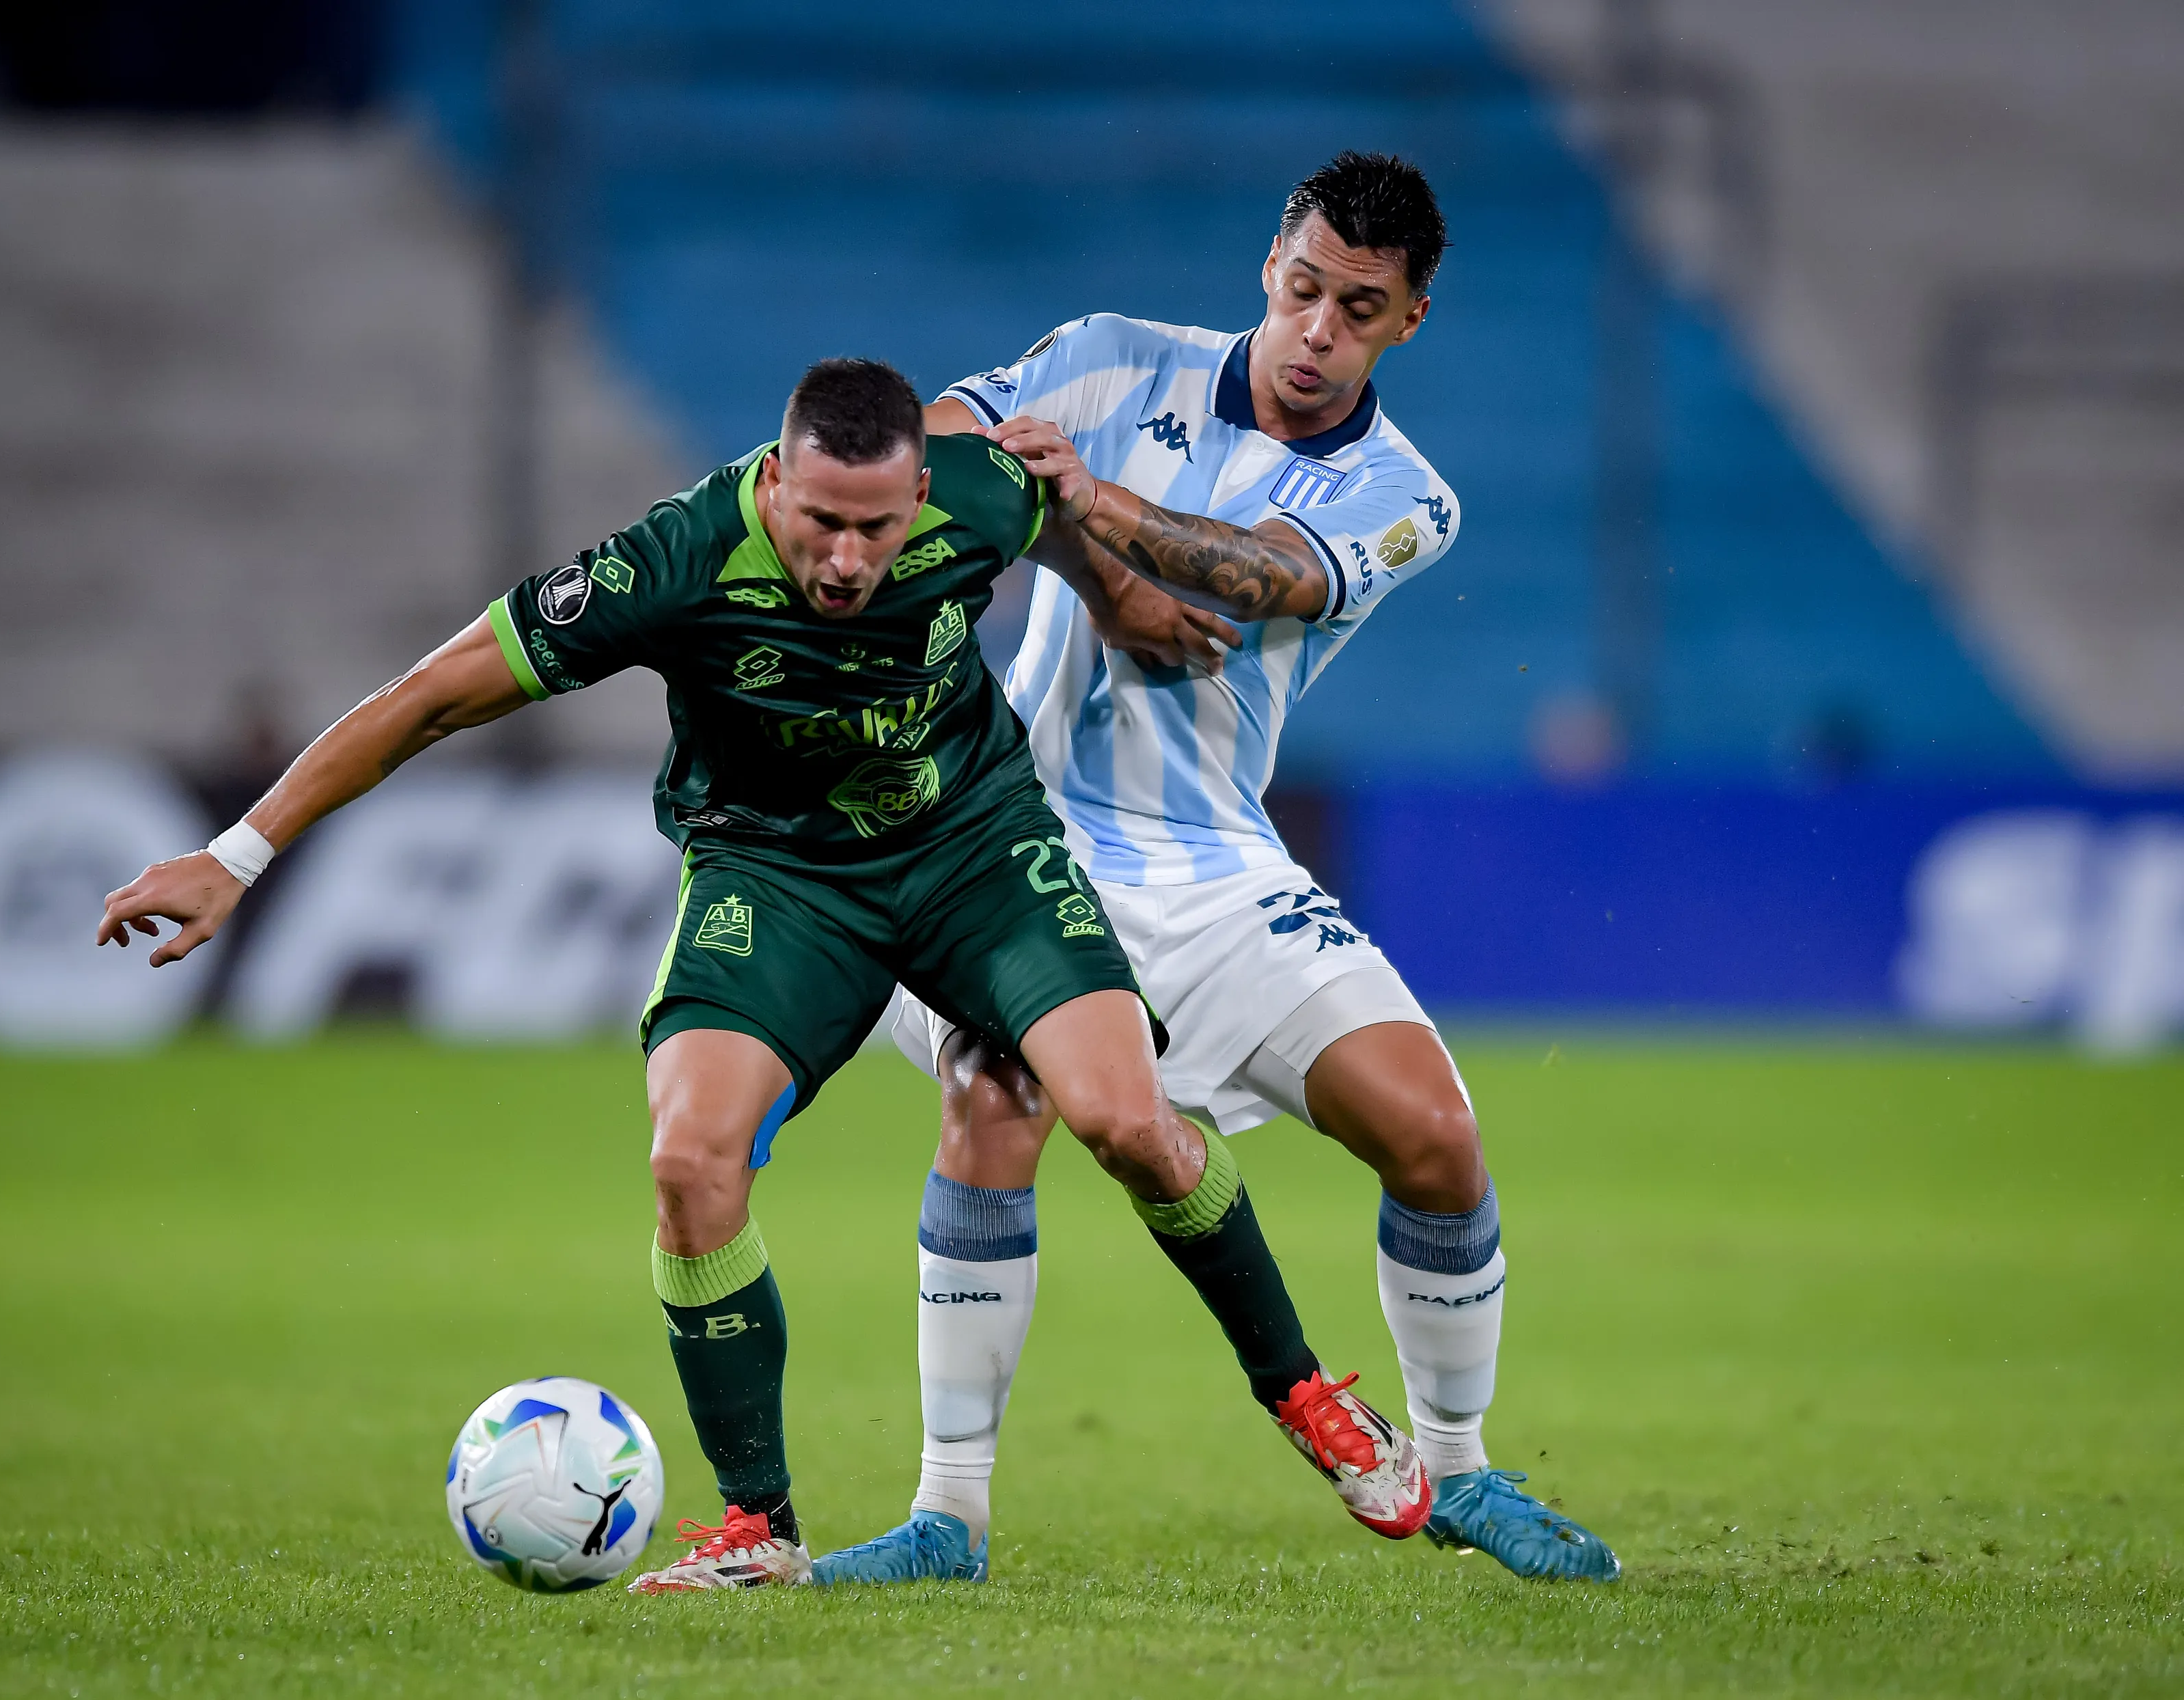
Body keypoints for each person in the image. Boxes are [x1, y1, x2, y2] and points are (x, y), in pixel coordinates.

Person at [96, 357, 1429, 1594]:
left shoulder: (976, 488)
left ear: (920, 488)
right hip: (778, 881)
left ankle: (1307, 1394)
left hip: (977, 849)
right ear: (774, 481)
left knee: (1127, 1119)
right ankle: (759, 1523)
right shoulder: (672, 560)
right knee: (690, 1160)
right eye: (818, 525)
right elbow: (434, 692)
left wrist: (1124, 595)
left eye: (876, 527)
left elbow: (1055, 521)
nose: (847, 559)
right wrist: (237, 853)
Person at [816, 153, 1620, 1587]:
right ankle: (948, 1513)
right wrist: (1039, 518)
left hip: (1211, 857)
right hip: (1020, 827)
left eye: (1357, 309)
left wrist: (1100, 513)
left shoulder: (1404, 495)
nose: (1318, 329)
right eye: (1304, 288)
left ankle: (1456, 1470)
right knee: (991, 1096)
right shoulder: (1112, 356)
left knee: (1434, 1134)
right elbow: (939, 443)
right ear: (1270, 262)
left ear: (1408, 323)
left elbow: (1270, 577)